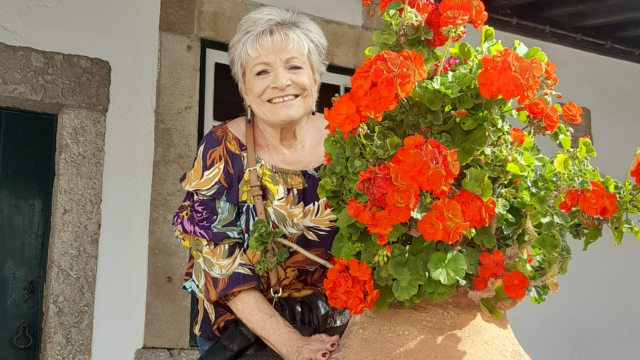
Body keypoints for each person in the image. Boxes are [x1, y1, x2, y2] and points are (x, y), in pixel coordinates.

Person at [172, 6, 342, 360]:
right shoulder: (222, 148)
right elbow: (221, 263)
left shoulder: (349, 143)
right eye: (262, 71)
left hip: (335, 326)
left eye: (294, 66)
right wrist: (293, 344)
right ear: (244, 90)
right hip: (244, 334)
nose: (281, 82)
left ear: (316, 76)